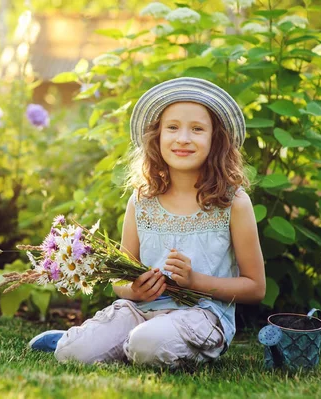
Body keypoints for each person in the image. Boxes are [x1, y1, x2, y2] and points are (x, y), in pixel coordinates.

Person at [28, 77, 266, 368]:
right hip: (142, 311)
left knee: (147, 344)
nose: (183, 138)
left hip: (202, 316)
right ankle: (93, 340)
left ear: (216, 140)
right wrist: (134, 291)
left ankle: (130, 344)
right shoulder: (142, 201)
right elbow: (120, 282)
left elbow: (256, 288)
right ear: (157, 136)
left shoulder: (232, 203)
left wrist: (195, 282)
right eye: (173, 127)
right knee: (72, 353)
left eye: (197, 129)